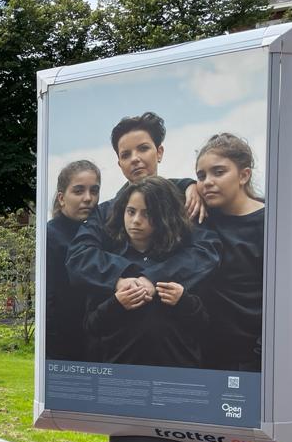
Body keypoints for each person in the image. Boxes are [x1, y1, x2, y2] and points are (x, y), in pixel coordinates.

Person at [67, 112, 220, 310]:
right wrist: (119, 279)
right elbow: (79, 256)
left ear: (159, 152)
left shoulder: (186, 201)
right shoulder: (105, 212)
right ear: (119, 163)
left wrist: (153, 278)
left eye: (143, 148)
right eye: (126, 155)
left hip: (177, 328)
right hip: (119, 330)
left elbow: (206, 251)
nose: (135, 159)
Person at [84, 177, 211, 368]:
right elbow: (91, 326)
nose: (136, 220)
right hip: (122, 377)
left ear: (163, 215)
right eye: (131, 211)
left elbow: (204, 323)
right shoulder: (109, 265)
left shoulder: (183, 263)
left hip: (178, 376)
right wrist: (117, 303)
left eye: (147, 213)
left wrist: (183, 300)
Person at [194, 133, 265, 372]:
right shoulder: (202, 218)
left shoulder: (271, 222)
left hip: (254, 358)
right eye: (201, 176)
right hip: (206, 354)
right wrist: (187, 187)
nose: (207, 182)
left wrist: (260, 353)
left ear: (244, 175)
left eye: (218, 172)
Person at [46, 160, 100, 361]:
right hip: (64, 347)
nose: (88, 198)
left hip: (96, 342)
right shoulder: (50, 235)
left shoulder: (98, 232)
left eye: (94, 191)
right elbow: (50, 299)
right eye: (78, 191)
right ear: (62, 198)